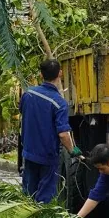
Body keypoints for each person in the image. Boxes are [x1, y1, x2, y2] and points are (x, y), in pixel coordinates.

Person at [19, 59, 83, 204]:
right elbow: (63, 134)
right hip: (48, 155)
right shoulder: (59, 102)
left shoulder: (28, 94)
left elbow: (24, 113)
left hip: (29, 151)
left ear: (41, 75)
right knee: (45, 196)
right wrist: (73, 151)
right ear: (60, 73)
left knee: (28, 194)